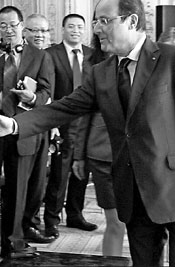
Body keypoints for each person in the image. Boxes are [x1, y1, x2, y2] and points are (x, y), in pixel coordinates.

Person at [0, 0, 175, 267]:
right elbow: (64, 108)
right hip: (135, 194)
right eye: (96, 21)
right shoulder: (102, 72)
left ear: (131, 21)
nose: (96, 28)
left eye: (104, 20)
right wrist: (15, 124)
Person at [0, 6, 54, 265]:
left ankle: (12, 245)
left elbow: (47, 93)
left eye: (13, 24)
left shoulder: (39, 56)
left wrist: (32, 97)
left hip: (22, 130)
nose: (8, 30)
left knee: (17, 194)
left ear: (22, 26)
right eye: (3, 25)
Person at [42, 13, 97, 238]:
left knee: (81, 170)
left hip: (86, 120)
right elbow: (49, 88)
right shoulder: (50, 54)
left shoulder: (93, 55)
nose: (76, 30)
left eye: (80, 27)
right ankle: (52, 219)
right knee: (59, 172)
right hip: (61, 120)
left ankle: (75, 214)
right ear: (63, 29)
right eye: (71, 26)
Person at [70, 34, 126, 256]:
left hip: (141, 156)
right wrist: (79, 155)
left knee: (147, 229)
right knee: (115, 222)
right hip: (103, 153)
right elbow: (83, 113)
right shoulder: (94, 68)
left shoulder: (146, 63)